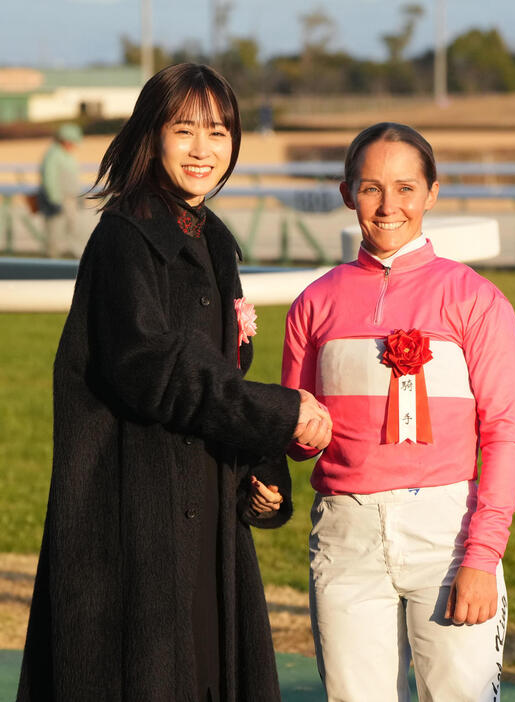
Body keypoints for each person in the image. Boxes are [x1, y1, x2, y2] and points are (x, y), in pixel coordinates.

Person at [17, 63, 331, 702]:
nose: (202, 149)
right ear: (150, 135)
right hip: (134, 514)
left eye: (217, 133)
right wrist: (280, 413)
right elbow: (153, 369)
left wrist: (259, 472)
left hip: (203, 515)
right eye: (183, 129)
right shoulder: (124, 239)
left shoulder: (213, 238)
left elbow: (218, 375)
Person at [281, 122, 515, 701]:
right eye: (370, 188)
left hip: (449, 537)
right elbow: (298, 433)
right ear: (347, 194)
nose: (389, 206)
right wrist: (296, 435)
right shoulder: (314, 302)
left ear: (432, 193)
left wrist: (482, 556)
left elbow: (504, 434)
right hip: (345, 536)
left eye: (406, 188)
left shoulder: (476, 299)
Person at [38, 123, 83, 258]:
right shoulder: (54, 154)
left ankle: (69, 256)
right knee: (54, 231)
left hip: (69, 198)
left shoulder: (65, 154)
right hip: (58, 200)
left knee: (71, 228)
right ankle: (53, 260)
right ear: (66, 141)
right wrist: (54, 200)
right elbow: (49, 179)